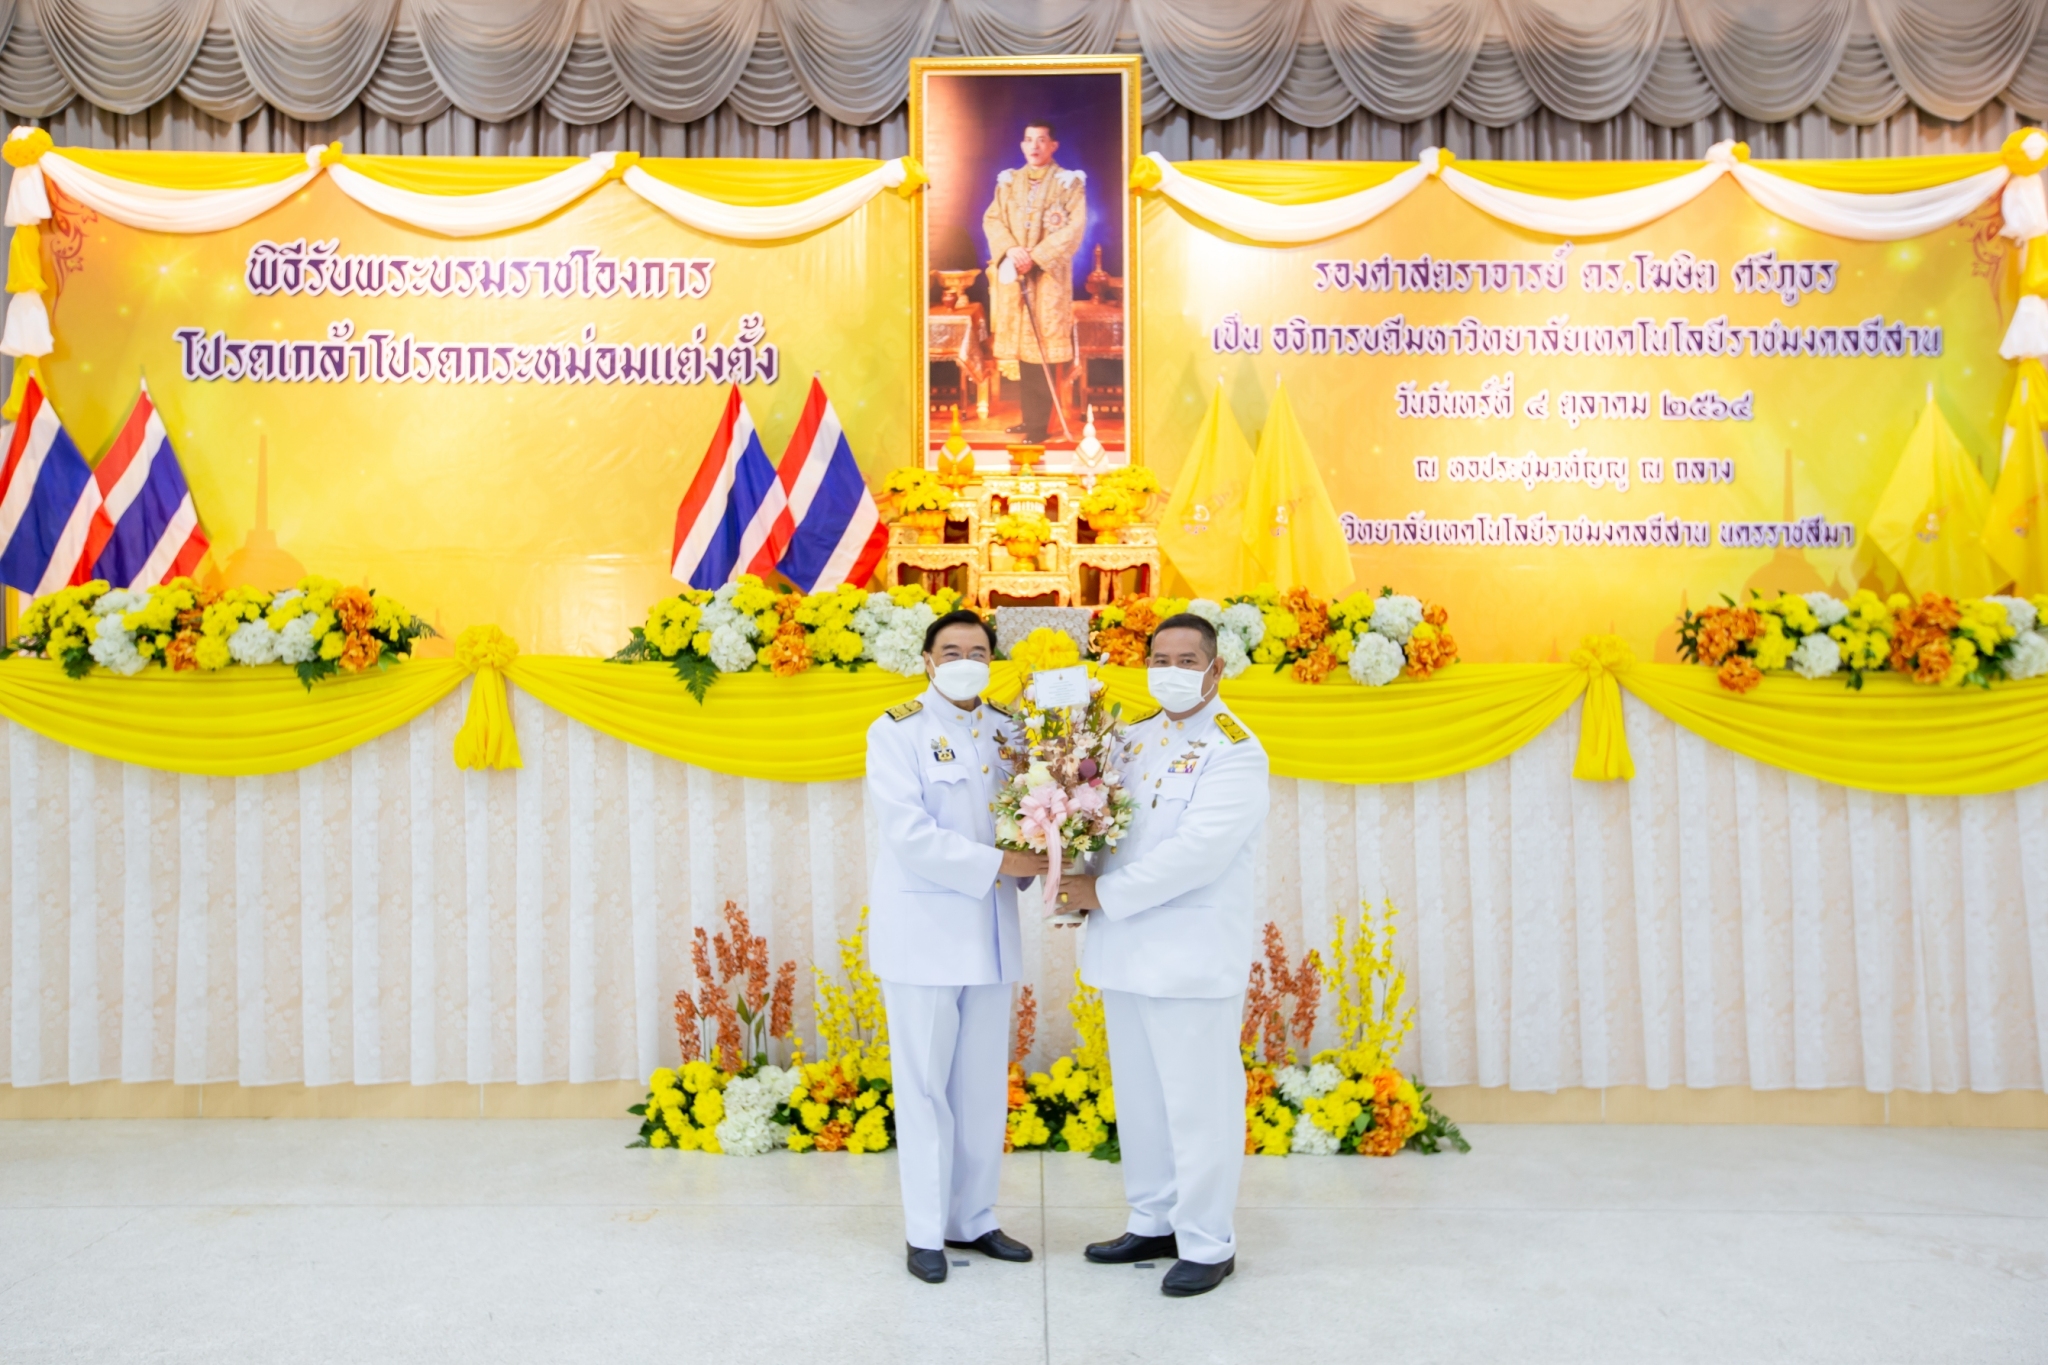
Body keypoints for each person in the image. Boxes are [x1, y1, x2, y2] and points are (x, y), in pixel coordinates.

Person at [1054, 612, 1269, 1298]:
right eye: (1160, 657)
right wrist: (1070, 873)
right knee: (1143, 1099)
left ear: (1215, 669)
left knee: (1200, 1102)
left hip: (1190, 954)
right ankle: (1153, 1217)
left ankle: (1208, 1239)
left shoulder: (1236, 749)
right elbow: (1101, 822)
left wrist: (1101, 889)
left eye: (1187, 658)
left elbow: (1197, 854)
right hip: (1125, 949)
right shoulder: (1133, 740)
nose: (1171, 669)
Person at [866, 608, 1047, 1284]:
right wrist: (1000, 865)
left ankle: (973, 1218)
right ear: (927, 659)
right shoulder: (897, 731)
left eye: (977, 648)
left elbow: (1036, 816)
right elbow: (908, 833)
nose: (965, 657)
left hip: (991, 935)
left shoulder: (1009, 731)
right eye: (952, 648)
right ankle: (924, 1232)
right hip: (924, 936)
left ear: (992, 658)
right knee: (922, 1087)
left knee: (979, 1089)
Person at [983, 119, 1086, 443]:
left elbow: (1074, 229)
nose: (1034, 146)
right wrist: (1012, 250)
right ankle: (1030, 420)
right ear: (1022, 145)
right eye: (1029, 140)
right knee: (1025, 354)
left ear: (1053, 145)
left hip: (1048, 280)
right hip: (1017, 275)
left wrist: (1036, 257)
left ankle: (1041, 424)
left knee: (1041, 353)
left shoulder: (1069, 183)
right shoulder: (1008, 182)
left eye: (1041, 140)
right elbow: (993, 219)